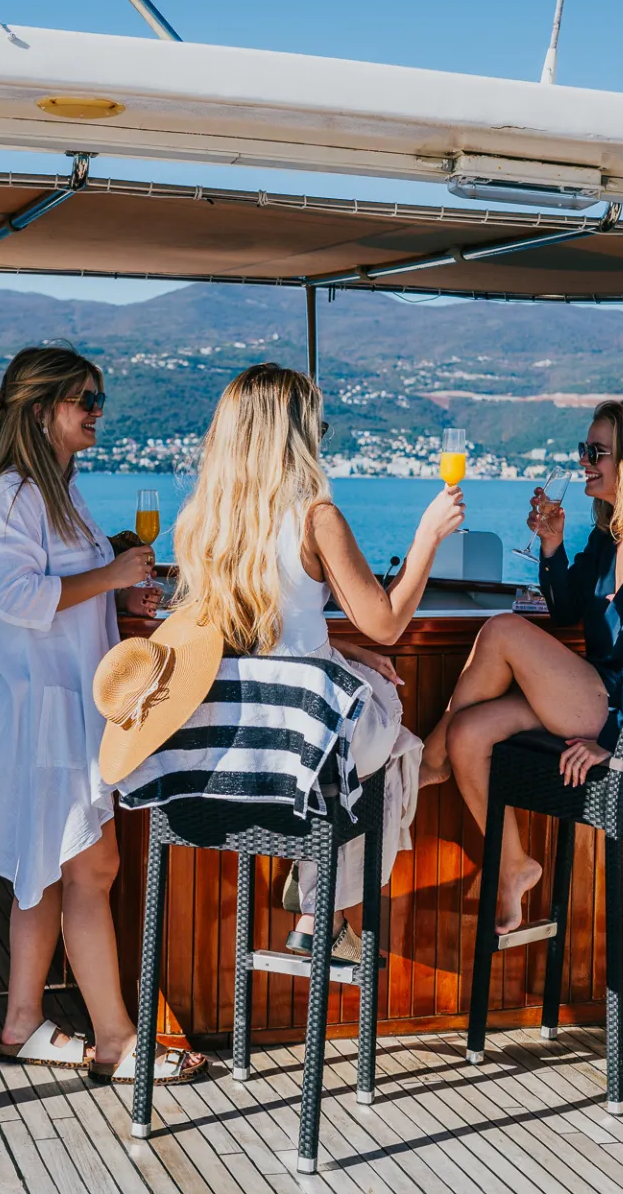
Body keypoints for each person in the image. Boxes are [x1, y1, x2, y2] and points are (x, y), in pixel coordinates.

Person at [0, 345, 207, 1087]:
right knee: (93, 867)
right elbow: (14, 599)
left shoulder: (58, 491)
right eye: (84, 400)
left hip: (64, 707)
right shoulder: (15, 496)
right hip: (46, 710)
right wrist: (113, 573)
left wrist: (119, 598)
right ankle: (117, 1039)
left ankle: (22, 1022)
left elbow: (63, 590)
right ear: (41, 411)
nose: (97, 412)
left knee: (46, 873)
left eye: (99, 399)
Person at [170, 364, 465, 962]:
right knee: (384, 734)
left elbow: (242, 632)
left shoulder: (205, 520)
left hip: (235, 739)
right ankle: (319, 904)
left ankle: (317, 896)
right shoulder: (314, 516)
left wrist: (344, 650)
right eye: (317, 426)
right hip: (305, 737)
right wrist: (427, 538)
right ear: (295, 434)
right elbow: (385, 622)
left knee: (367, 735)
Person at [421, 398, 623, 934]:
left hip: (622, 714)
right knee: (469, 733)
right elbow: (565, 606)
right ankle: (512, 865)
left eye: (596, 451)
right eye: (585, 449)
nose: (585, 461)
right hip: (594, 693)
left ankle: (426, 760)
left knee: (503, 631)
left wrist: (616, 742)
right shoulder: (610, 535)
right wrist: (553, 544)